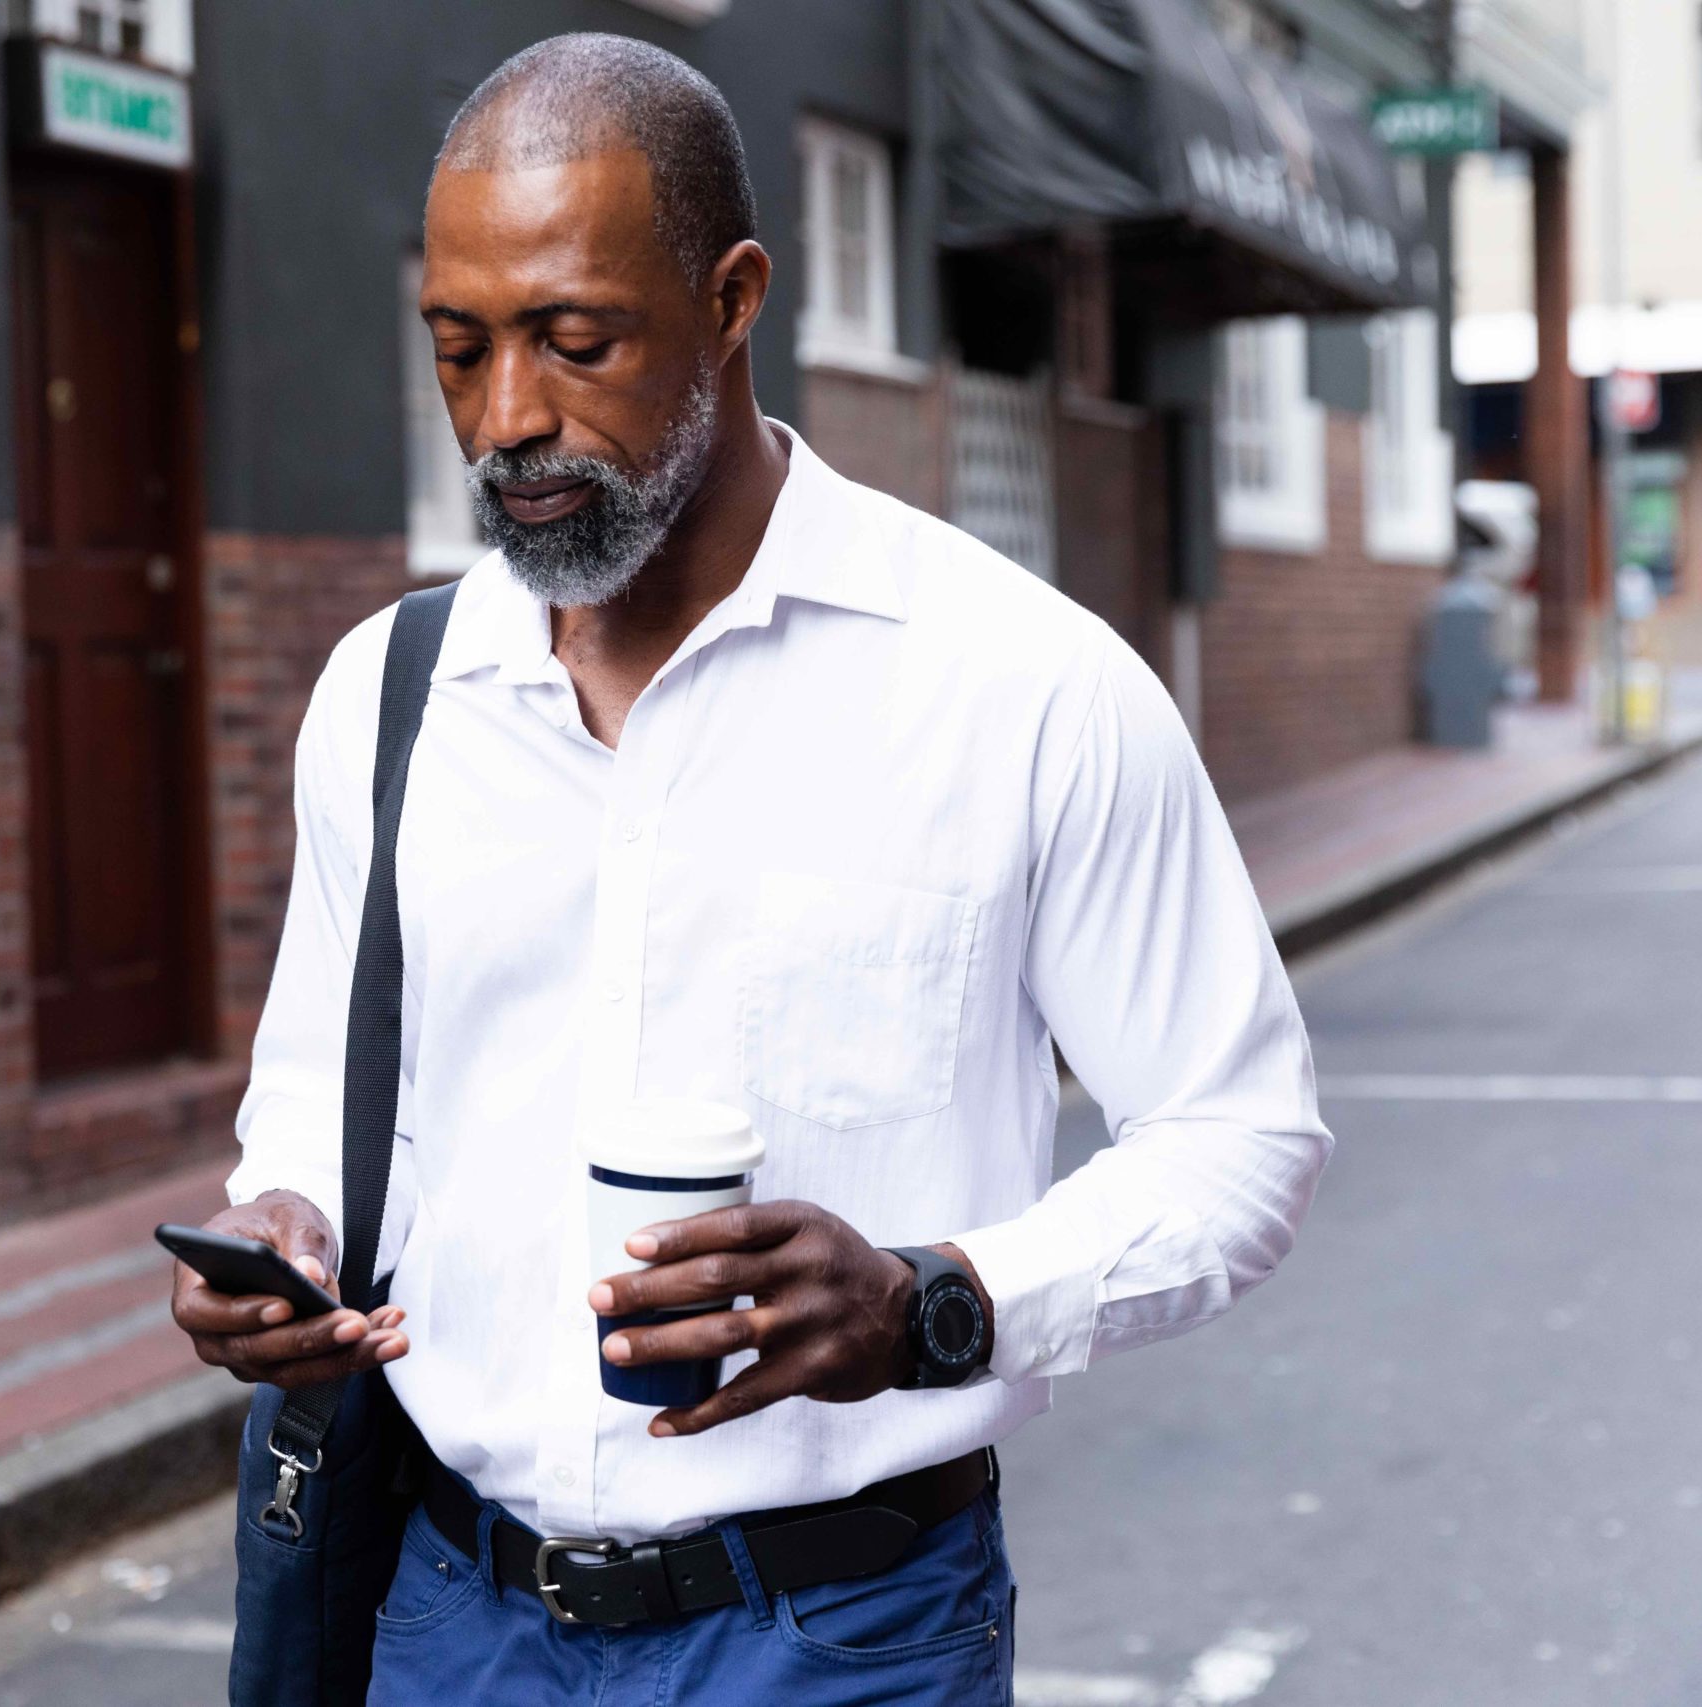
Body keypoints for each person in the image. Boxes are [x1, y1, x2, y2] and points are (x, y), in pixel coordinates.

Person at [172, 32, 1331, 1704]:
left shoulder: (1021, 687)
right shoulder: (389, 695)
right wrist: (286, 1224)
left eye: (578, 343)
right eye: (459, 350)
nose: (510, 419)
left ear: (732, 300)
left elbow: (1240, 1135)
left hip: (841, 1641)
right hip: (450, 1624)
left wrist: (937, 1302)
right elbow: (324, 1096)